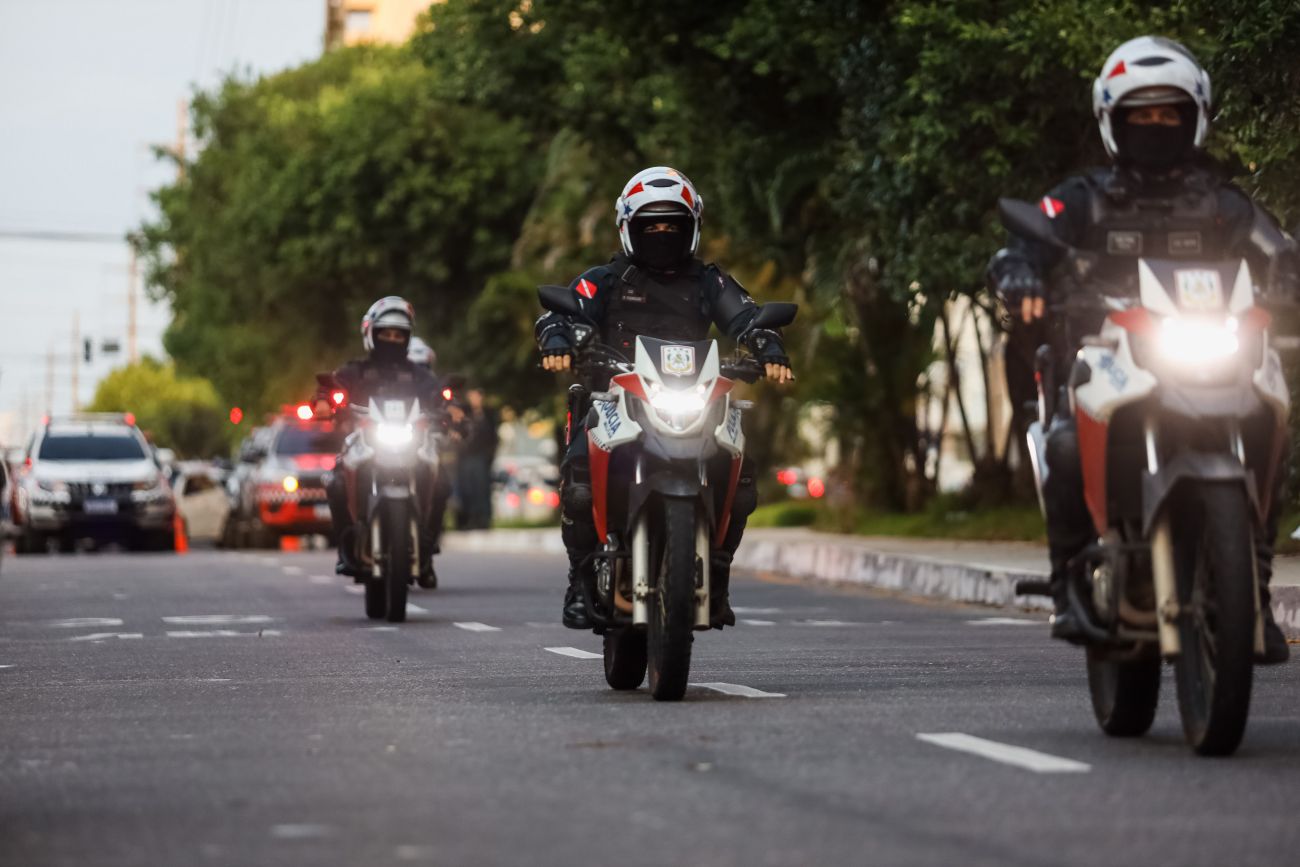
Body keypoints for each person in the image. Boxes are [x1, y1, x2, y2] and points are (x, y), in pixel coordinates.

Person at [987, 36, 1299, 663]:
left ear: (1194, 119)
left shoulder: (1223, 203)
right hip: (1109, 354)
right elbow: (1023, 247)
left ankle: (1253, 582)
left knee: (1272, 412)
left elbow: (1276, 246)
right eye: (1141, 115)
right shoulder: (1082, 197)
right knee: (1066, 443)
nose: (1155, 126)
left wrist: (1290, 270)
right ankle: (1069, 579)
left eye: (1168, 114)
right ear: (1114, 122)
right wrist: (1018, 274)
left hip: (1215, 350)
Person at [536, 166, 794, 630]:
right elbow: (562, 310)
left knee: (743, 478)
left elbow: (749, 318)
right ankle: (579, 581)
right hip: (615, 397)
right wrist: (557, 338)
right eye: (649, 225)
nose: (661, 233)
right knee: (578, 479)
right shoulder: (605, 279)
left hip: (695, 397)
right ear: (627, 228)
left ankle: (719, 572)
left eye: (671, 225)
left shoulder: (709, 283)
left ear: (691, 227)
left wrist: (768, 347)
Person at [325, 296, 451, 588]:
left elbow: (440, 396)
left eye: (398, 335)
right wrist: (324, 400)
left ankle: (427, 546)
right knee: (335, 482)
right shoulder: (354, 371)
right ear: (371, 333)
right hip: (366, 443)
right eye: (386, 333)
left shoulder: (418, 374)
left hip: (410, 443)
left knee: (442, 482)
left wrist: (452, 407)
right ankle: (347, 545)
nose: (392, 339)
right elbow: (331, 389)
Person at [453, 388, 499, 531]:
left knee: (481, 489)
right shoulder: (464, 414)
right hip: (465, 457)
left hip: (481, 457)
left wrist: (490, 455)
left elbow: (493, 437)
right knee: (466, 489)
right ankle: (467, 520)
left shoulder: (489, 414)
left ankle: (483, 520)